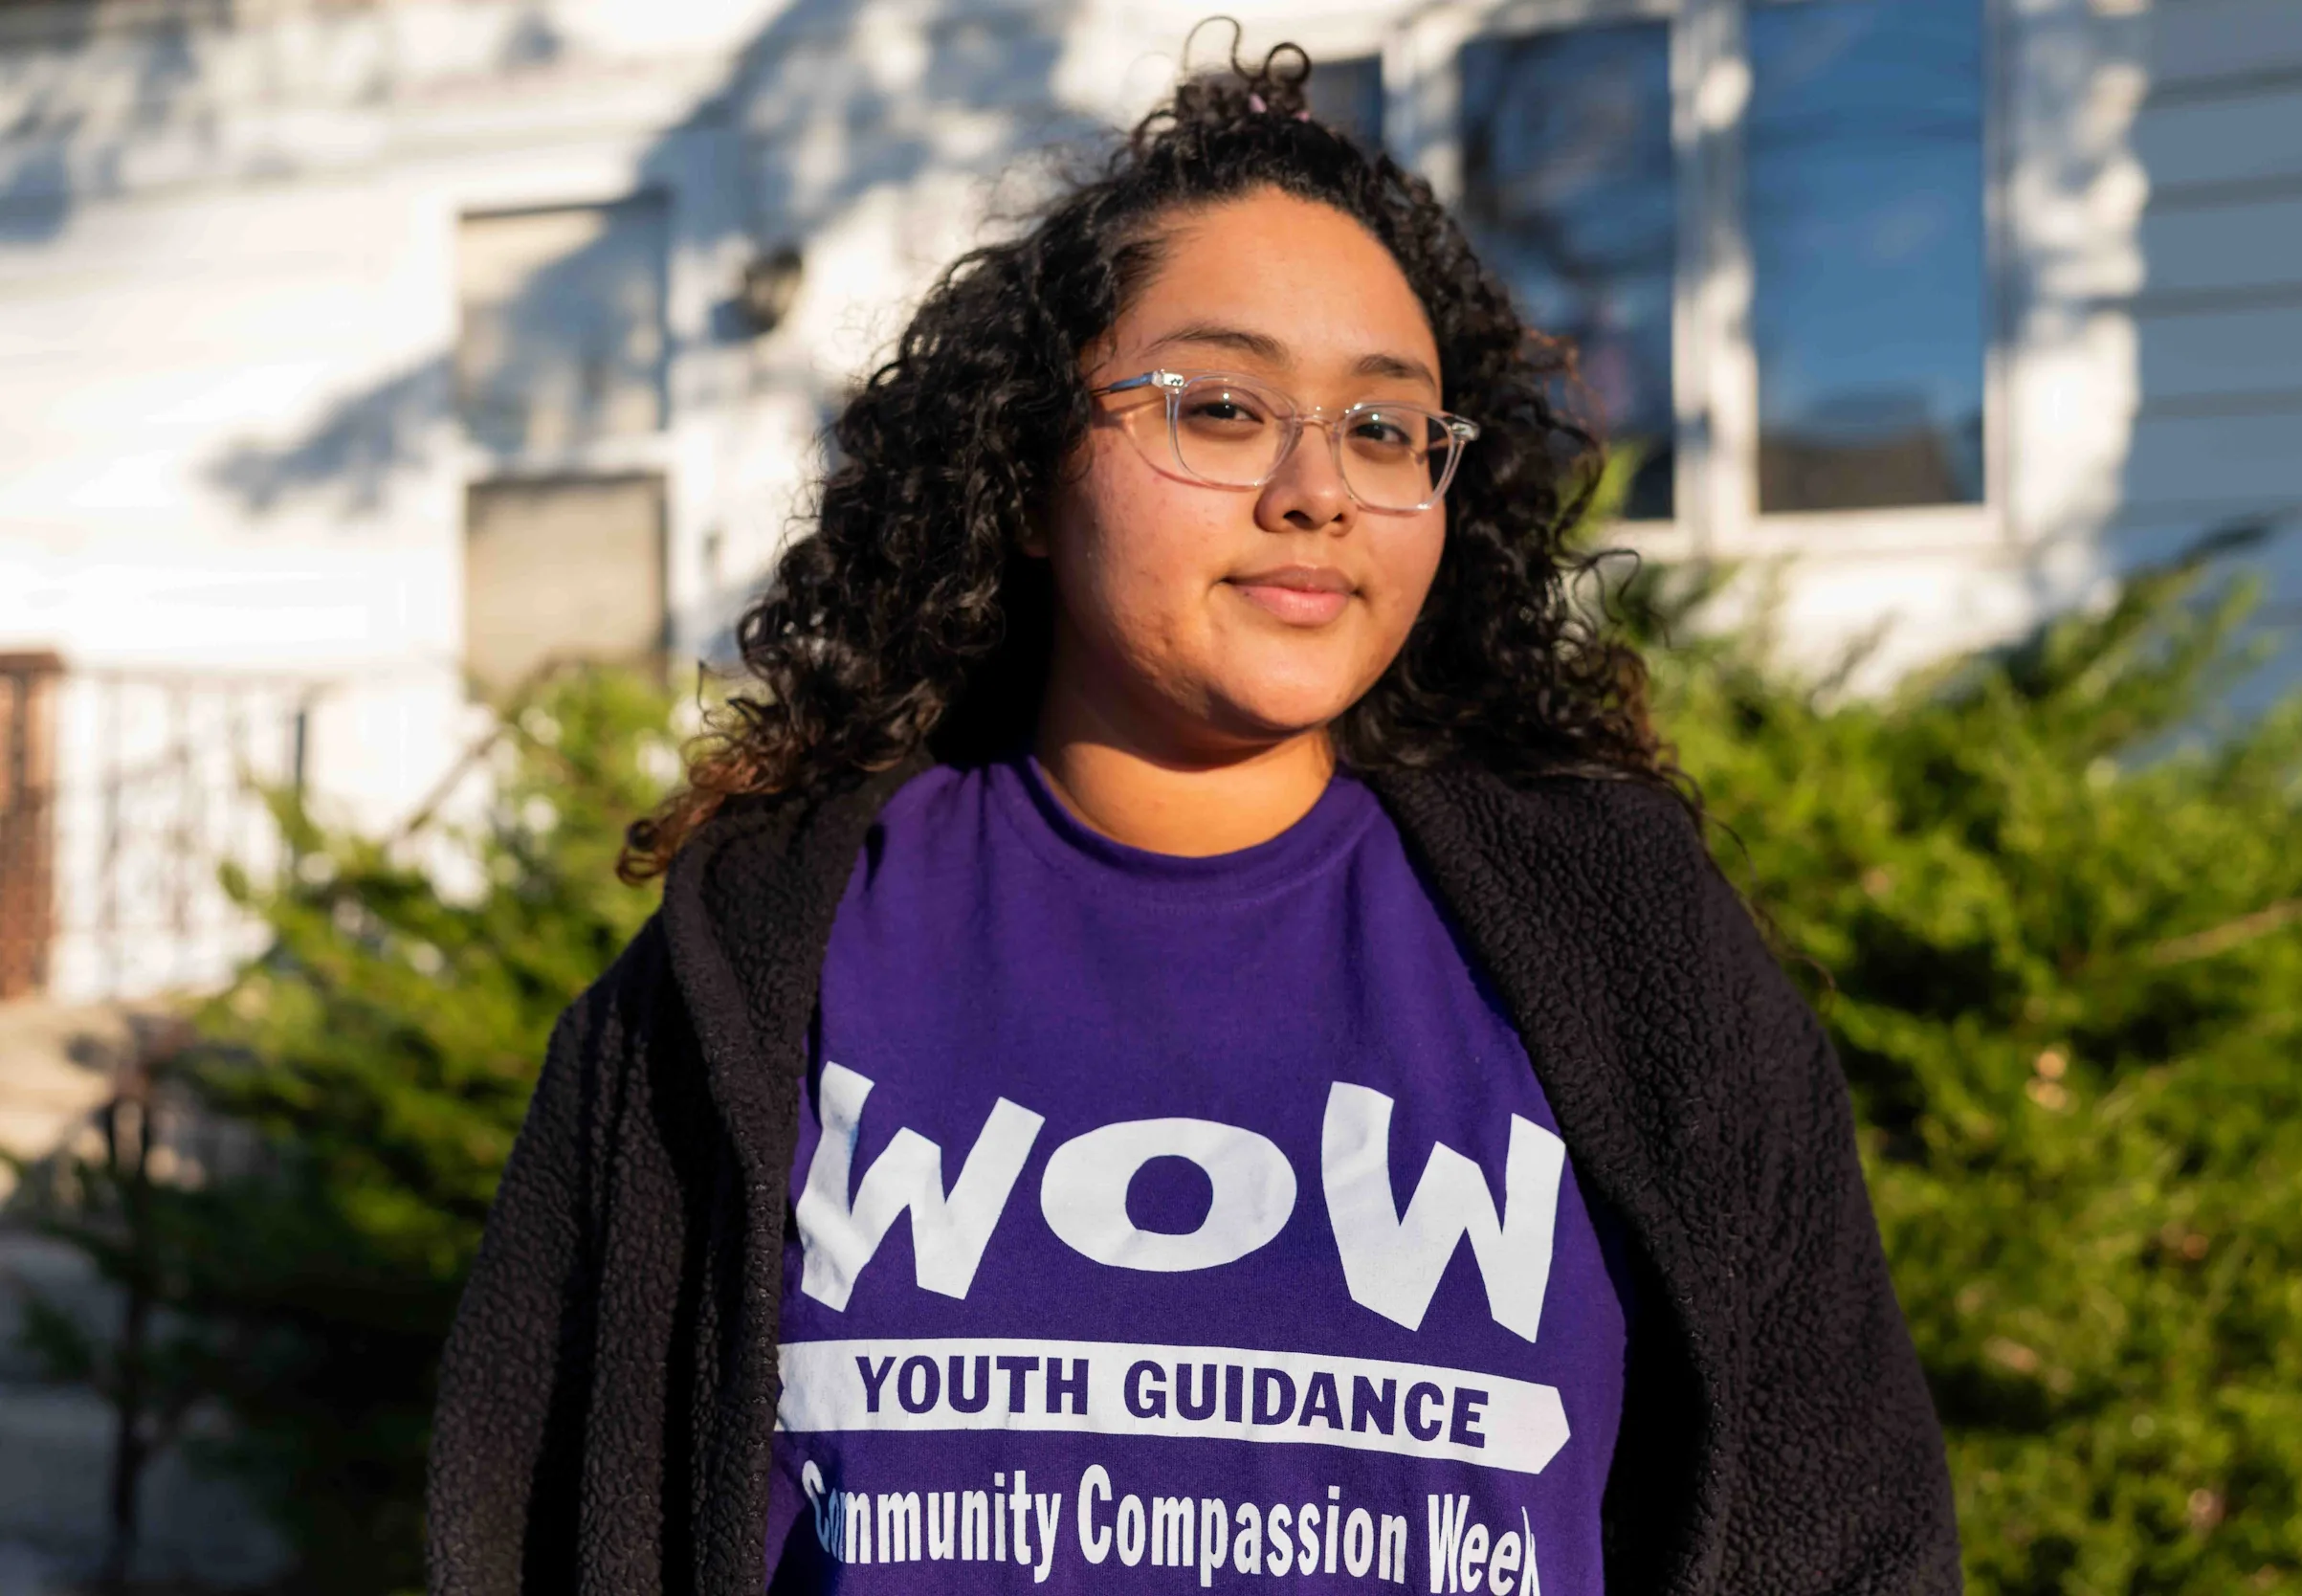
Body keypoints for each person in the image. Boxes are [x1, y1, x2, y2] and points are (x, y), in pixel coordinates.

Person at [427, 39, 1959, 1596]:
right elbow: (535, 1516)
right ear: (1025, 477)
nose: (1317, 490)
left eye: (1383, 429)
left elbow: (1841, 1540)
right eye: (1220, 410)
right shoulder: (753, 969)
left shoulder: (1634, 966)